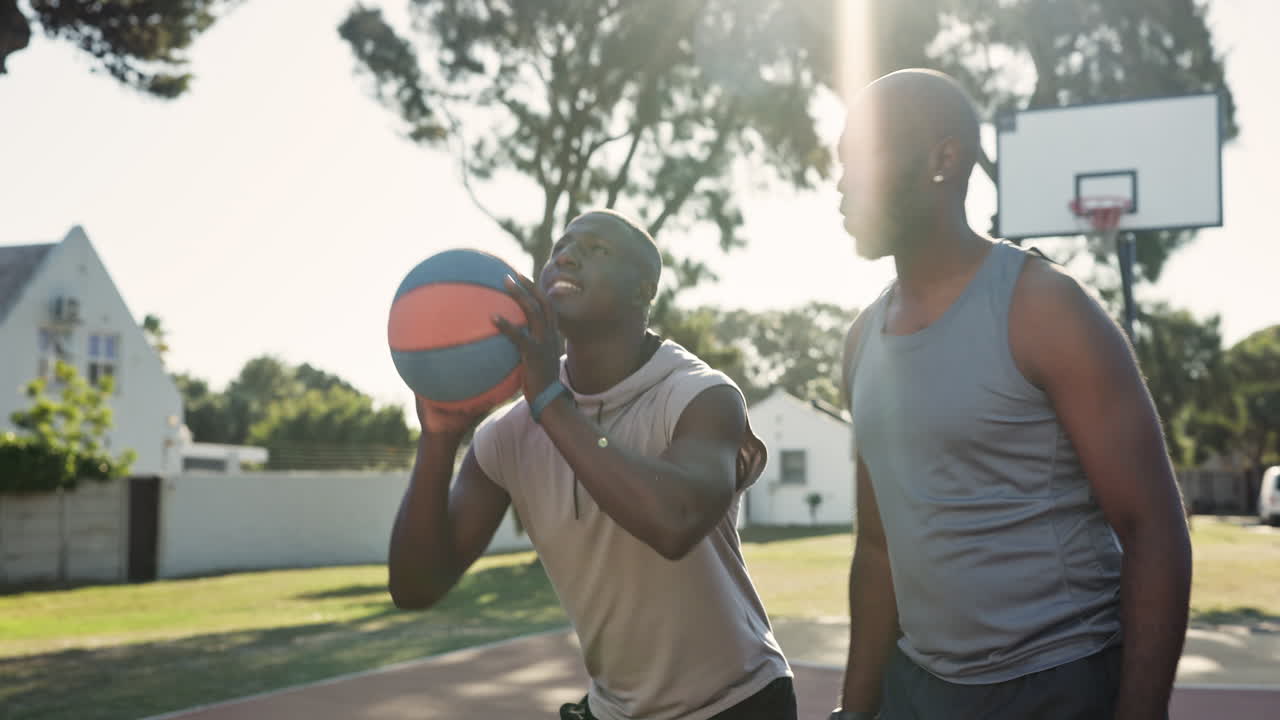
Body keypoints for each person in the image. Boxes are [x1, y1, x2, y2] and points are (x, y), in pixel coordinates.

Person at [825, 69, 1193, 720]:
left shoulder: (1044, 308)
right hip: (919, 686)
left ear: (944, 160)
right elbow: (878, 549)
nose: (840, 183)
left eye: (859, 158)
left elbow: (1151, 528)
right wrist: (853, 711)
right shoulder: (861, 341)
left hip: (1059, 682)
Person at [389, 208, 796, 720]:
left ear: (644, 289)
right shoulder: (508, 435)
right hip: (616, 710)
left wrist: (551, 403)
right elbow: (415, 586)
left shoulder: (700, 395)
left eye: (596, 248)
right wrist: (438, 437)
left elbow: (673, 523)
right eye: (560, 248)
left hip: (738, 701)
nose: (567, 254)